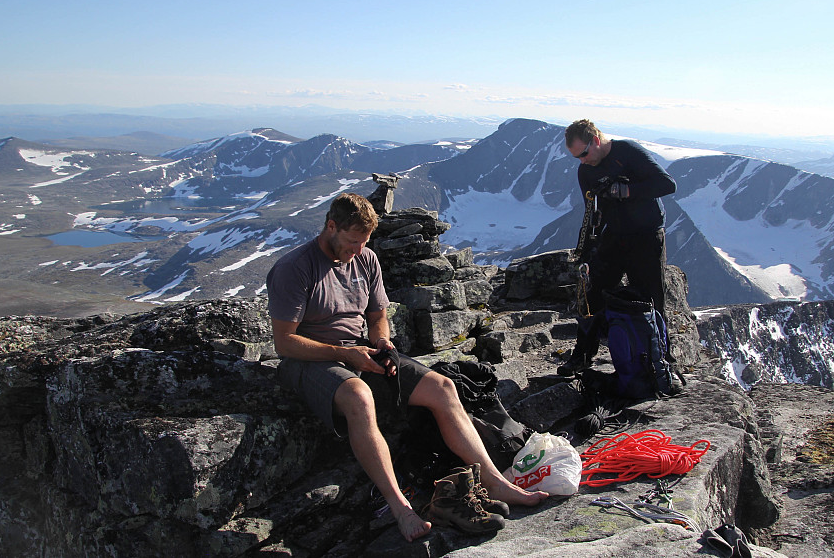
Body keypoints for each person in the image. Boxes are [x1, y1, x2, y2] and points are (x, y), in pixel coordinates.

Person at [266, 193, 547, 542]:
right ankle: (401, 508)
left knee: (444, 387)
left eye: (363, 243)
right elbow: (285, 343)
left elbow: (377, 317)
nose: (357, 250)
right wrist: (347, 354)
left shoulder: (366, 259)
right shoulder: (294, 268)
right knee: (358, 395)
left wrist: (381, 341)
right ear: (331, 227)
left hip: (358, 350)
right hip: (308, 360)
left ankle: (495, 481)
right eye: (352, 242)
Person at [558, 120, 677, 376]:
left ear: (596, 141)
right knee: (593, 295)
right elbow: (592, 211)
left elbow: (667, 184)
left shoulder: (627, 152)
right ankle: (582, 355)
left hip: (647, 237)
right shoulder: (586, 171)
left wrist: (628, 191)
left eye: (584, 154)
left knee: (652, 299)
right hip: (614, 236)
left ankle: (663, 361)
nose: (582, 161)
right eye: (576, 157)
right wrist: (587, 251)